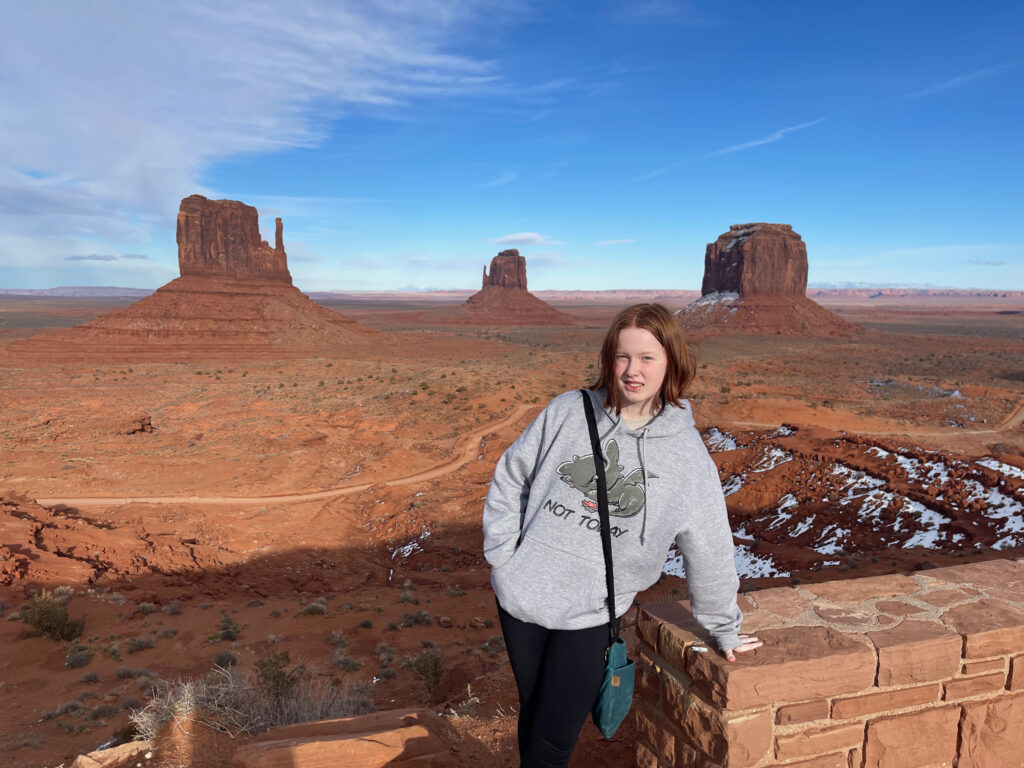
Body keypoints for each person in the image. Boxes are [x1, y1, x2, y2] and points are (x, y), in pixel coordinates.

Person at [482, 303, 762, 767]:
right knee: (534, 714)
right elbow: (513, 473)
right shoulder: (570, 410)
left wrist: (722, 625)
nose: (632, 371)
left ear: (672, 361)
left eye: (647, 357)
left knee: (554, 740)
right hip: (523, 596)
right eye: (622, 356)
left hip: (592, 611)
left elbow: (708, 545)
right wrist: (503, 554)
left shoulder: (687, 457)